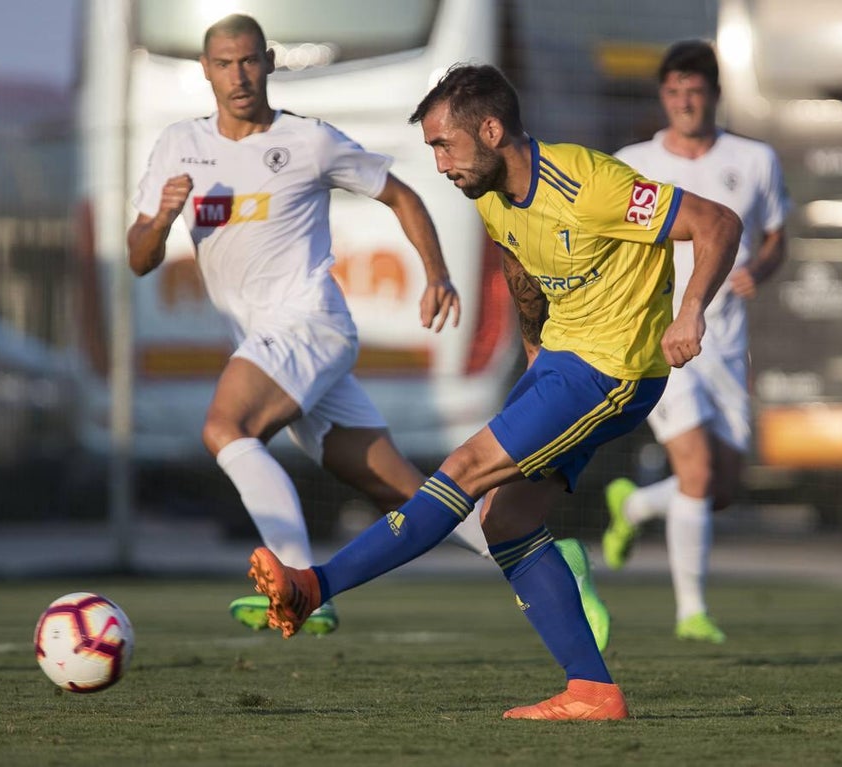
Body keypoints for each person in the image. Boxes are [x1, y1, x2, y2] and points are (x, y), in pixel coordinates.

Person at [248, 63, 741, 720]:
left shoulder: (592, 184)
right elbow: (519, 261)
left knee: (463, 469)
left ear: (490, 129)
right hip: (563, 362)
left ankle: (314, 586)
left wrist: (690, 310)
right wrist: (535, 349)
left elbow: (718, 222)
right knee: (503, 520)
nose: (440, 163)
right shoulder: (488, 194)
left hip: (614, 369)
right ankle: (591, 691)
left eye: (443, 144)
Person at [126, 15, 609, 642]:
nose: (238, 76)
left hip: (309, 323)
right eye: (224, 64)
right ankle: (549, 559)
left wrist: (437, 274)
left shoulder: (308, 140)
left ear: (268, 61)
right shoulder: (178, 144)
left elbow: (402, 195)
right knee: (403, 490)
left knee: (225, 427)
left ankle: (299, 585)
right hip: (266, 341)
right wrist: (161, 219)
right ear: (205, 70)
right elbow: (140, 258)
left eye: (248, 61)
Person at [602, 40, 790, 644]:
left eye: (695, 91)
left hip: (726, 345)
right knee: (698, 472)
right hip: (660, 342)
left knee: (721, 490)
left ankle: (634, 506)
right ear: (663, 96)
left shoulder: (755, 159)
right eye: (673, 91)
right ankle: (692, 612)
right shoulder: (633, 163)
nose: (684, 102)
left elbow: (776, 236)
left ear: (715, 94)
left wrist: (758, 270)